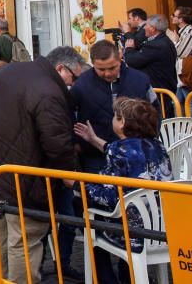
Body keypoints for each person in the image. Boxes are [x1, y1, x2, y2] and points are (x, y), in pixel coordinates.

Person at [0, 46, 85, 284]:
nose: (74, 83)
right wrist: (69, 174)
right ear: (61, 69)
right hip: (22, 179)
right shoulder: (49, 92)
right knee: (23, 240)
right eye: (75, 77)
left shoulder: (9, 72)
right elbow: (57, 143)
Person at [73, 97, 172, 284]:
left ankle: (106, 278)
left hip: (132, 231)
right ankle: (131, 275)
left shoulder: (118, 150)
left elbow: (109, 196)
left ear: (122, 123)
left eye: (115, 116)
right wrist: (93, 139)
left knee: (88, 215)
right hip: (160, 226)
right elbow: (126, 154)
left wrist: (76, 185)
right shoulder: (157, 145)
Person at [72, 40, 157, 174]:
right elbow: (70, 114)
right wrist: (76, 143)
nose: (107, 73)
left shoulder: (140, 80)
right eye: (101, 69)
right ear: (92, 63)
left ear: (120, 57)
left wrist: (151, 138)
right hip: (95, 157)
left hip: (136, 154)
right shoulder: (81, 84)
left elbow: (155, 112)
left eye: (112, 68)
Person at [123, 14, 177, 96]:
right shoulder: (165, 40)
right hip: (166, 87)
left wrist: (129, 48)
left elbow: (133, 61)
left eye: (146, 25)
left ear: (153, 28)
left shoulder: (155, 45)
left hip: (159, 90)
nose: (144, 28)